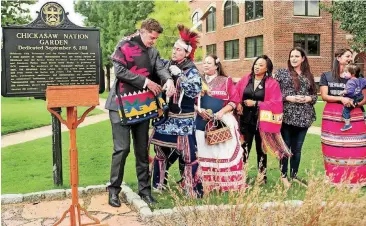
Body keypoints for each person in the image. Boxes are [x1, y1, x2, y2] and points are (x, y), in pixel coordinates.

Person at [105, 18, 175, 207]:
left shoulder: (153, 51)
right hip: (119, 105)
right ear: (142, 31)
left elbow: (160, 68)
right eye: (152, 37)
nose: (154, 41)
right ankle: (113, 190)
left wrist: (168, 80)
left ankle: (145, 191)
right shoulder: (124, 45)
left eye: (156, 38)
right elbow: (119, 70)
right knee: (122, 149)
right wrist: (146, 82)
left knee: (142, 151)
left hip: (142, 107)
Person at [150, 24, 202, 197]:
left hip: (184, 121)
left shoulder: (191, 70)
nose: (174, 52)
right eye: (174, 48)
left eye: (179, 49)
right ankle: (158, 185)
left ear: (186, 53)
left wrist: (180, 75)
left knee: (188, 155)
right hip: (166, 119)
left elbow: (194, 91)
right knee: (160, 152)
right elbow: (155, 63)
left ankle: (190, 188)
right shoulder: (166, 65)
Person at [236, 55, 291, 184]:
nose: (257, 67)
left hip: (262, 122)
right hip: (245, 121)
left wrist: (256, 103)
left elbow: (276, 103)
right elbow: (236, 92)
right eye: (256, 64)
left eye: (261, 65)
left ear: (267, 68)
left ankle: (262, 177)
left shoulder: (272, 83)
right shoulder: (246, 79)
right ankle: (241, 175)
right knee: (244, 149)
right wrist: (238, 103)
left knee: (261, 150)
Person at [195, 54, 245, 192]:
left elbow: (234, 101)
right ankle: (207, 184)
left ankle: (226, 184)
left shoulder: (226, 81)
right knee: (205, 152)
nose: (205, 65)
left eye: (209, 63)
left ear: (216, 65)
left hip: (222, 121)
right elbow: (191, 101)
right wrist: (198, 110)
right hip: (202, 122)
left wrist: (222, 112)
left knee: (223, 152)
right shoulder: (197, 80)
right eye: (204, 62)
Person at [319, 48, 366, 186]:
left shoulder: (358, 77)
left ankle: (357, 178)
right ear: (338, 58)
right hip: (332, 117)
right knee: (333, 146)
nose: (350, 58)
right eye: (347, 56)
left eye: (351, 56)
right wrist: (341, 99)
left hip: (355, 116)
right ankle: (335, 177)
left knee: (356, 146)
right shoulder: (327, 76)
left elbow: (365, 97)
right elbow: (324, 96)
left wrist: (356, 103)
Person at [275, 47, 317, 187]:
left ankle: (294, 175)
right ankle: (283, 176)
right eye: (291, 56)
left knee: (297, 150)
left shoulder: (308, 75)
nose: (293, 58)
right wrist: (288, 97)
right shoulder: (281, 73)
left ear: (303, 58)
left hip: (304, 117)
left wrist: (308, 99)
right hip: (287, 116)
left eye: (296, 56)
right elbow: (273, 94)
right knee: (285, 148)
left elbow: (315, 96)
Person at [338, 63, 366, 131]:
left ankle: (347, 124)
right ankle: (364, 116)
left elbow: (350, 91)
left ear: (352, 74)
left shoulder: (350, 81)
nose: (344, 73)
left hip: (353, 98)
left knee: (346, 110)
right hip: (360, 97)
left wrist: (342, 92)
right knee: (360, 106)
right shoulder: (360, 79)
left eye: (346, 72)